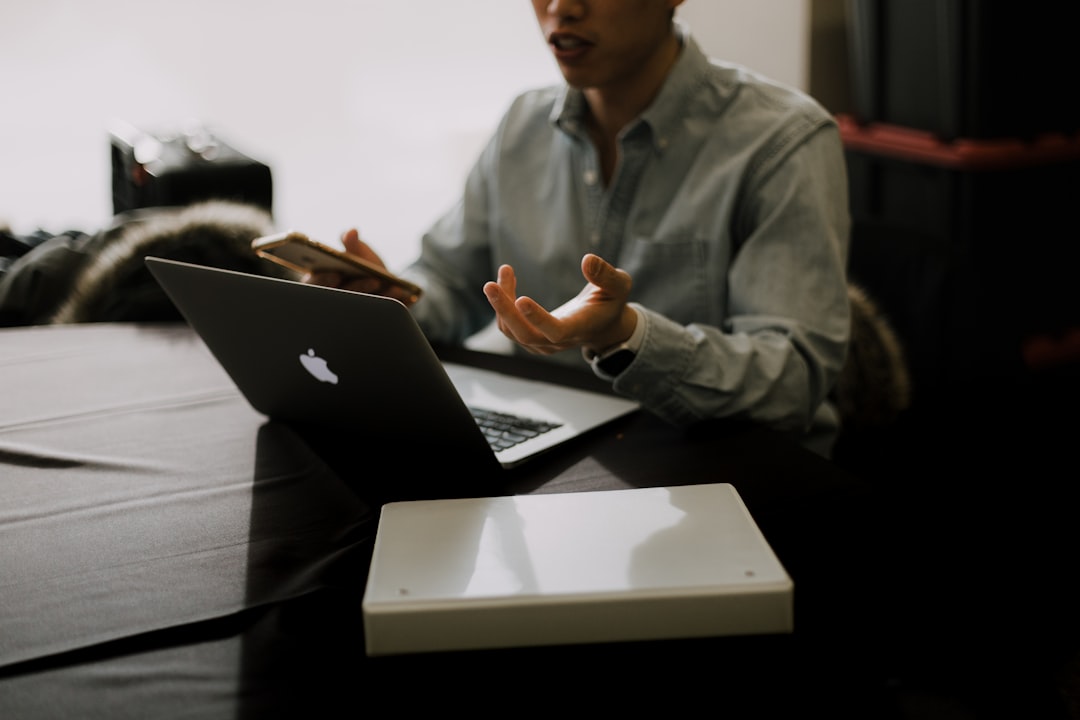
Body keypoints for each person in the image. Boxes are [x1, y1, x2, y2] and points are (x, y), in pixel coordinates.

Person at [308, 0, 852, 457]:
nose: (560, 8)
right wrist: (386, 298)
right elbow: (451, 280)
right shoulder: (522, 124)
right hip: (556, 445)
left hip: (721, 464)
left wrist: (628, 335)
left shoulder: (782, 140)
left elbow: (792, 382)